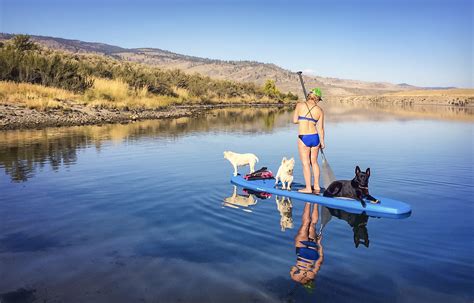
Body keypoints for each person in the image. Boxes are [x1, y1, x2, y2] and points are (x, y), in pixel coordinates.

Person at [292, 88, 325, 194]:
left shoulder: (299, 105)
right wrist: (322, 142)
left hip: (303, 137)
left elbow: (294, 120)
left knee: (306, 163)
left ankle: (308, 188)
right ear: (317, 98)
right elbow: (321, 128)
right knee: (314, 162)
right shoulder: (320, 110)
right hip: (315, 138)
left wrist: (303, 119)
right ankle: (316, 186)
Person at [290, 202, 324, 290]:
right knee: (306, 223)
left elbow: (319, 261)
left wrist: (319, 244)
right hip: (301, 252)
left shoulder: (312, 276)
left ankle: (316, 202)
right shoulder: (294, 277)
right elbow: (293, 268)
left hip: (312, 254)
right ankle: (308, 201)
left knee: (312, 224)